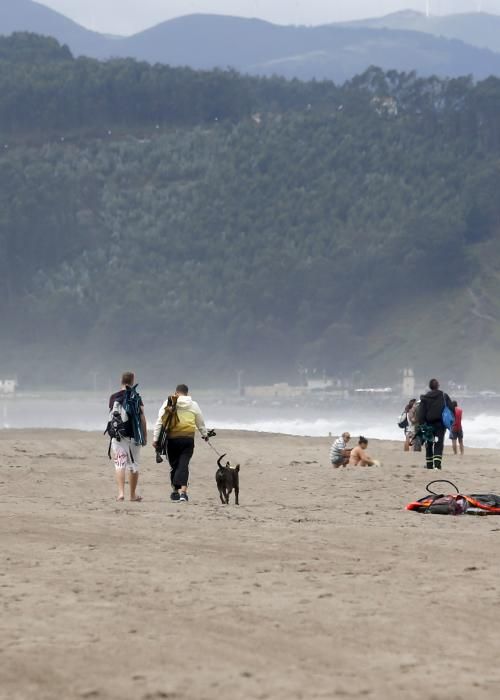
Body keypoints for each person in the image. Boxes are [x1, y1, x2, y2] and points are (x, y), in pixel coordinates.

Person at [153, 384, 208, 502]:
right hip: (188, 439)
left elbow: (160, 422)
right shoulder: (193, 405)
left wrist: (155, 439)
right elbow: (200, 422)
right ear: (187, 393)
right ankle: (183, 492)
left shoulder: (169, 403)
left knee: (175, 466)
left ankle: (176, 491)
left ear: (176, 392)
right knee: (183, 465)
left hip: (172, 439)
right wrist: (205, 435)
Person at [108, 371, 147, 502]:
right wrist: (144, 436)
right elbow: (142, 418)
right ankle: (132, 495)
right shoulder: (136, 397)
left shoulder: (113, 397)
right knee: (134, 466)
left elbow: (111, 417)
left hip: (118, 435)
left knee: (119, 463)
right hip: (133, 437)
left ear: (121, 381)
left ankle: (120, 493)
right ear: (132, 380)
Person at [417, 378, 455, 470]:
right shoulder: (443, 396)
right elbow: (451, 408)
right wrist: (451, 421)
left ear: (430, 387)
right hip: (440, 425)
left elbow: (421, 413)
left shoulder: (425, 398)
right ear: (438, 386)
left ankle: (429, 465)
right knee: (438, 443)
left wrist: (422, 425)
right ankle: (437, 465)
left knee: (429, 444)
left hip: (428, 425)